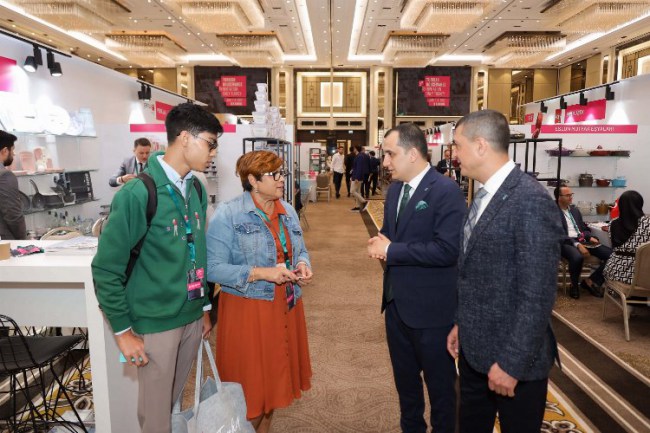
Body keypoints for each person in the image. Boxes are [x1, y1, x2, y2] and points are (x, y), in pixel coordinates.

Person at [91, 103, 222, 433]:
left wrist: (204, 308)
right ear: (185, 138)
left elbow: (197, 252)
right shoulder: (138, 193)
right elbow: (106, 269)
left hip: (191, 316)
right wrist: (123, 332)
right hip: (156, 321)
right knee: (155, 417)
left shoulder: (195, 188)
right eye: (210, 143)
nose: (213, 152)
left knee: (171, 405)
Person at [446, 109, 564, 433]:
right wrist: (461, 322)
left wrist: (512, 363)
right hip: (474, 353)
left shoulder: (531, 200)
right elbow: (473, 272)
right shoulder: (483, 195)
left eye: (458, 146)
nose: (454, 155)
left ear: (480, 145)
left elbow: (537, 296)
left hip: (515, 365)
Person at [367, 123, 466, 433]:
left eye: (390, 154)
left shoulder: (446, 191)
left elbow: (448, 250)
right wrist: (381, 242)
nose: (385, 162)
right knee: (406, 387)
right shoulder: (396, 189)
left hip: (432, 313)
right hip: (396, 306)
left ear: (412, 154)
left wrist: (391, 249)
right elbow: (391, 234)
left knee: (441, 390)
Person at [207, 150, 313, 433]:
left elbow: (300, 250)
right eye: (274, 174)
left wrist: (302, 264)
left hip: (286, 306)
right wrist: (262, 273)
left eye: (281, 173)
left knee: (273, 389)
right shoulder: (228, 214)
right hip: (249, 312)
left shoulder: (286, 209)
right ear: (253, 180)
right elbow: (213, 268)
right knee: (250, 394)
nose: (281, 179)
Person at [555, 185, 612, 299]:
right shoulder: (552, 211)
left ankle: (591, 281)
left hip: (582, 240)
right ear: (559, 197)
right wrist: (577, 244)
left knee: (613, 256)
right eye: (567, 195)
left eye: (571, 194)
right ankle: (574, 285)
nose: (571, 197)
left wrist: (589, 237)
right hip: (565, 242)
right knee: (577, 257)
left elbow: (583, 228)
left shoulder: (575, 210)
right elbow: (558, 233)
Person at [604, 191, 650, 284]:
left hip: (614, 273)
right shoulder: (647, 222)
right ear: (640, 203)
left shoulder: (612, 223)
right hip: (640, 275)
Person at [0, 130, 27, 240]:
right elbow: (13, 215)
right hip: (6, 243)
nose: (14, 153)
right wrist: (23, 241)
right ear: (5, 150)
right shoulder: (5, 175)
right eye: (12, 149)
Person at [350, 145, 370, 211]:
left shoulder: (360, 156)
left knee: (352, 191)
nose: (353, 149)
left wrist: (357, 177)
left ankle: (364, 201)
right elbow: (356, 167)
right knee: (357, 192)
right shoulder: (358, 156)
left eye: (354, 148)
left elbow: (359, 168)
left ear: (356, 149)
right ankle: (358, 206)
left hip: (357, 177)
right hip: (357, 176)